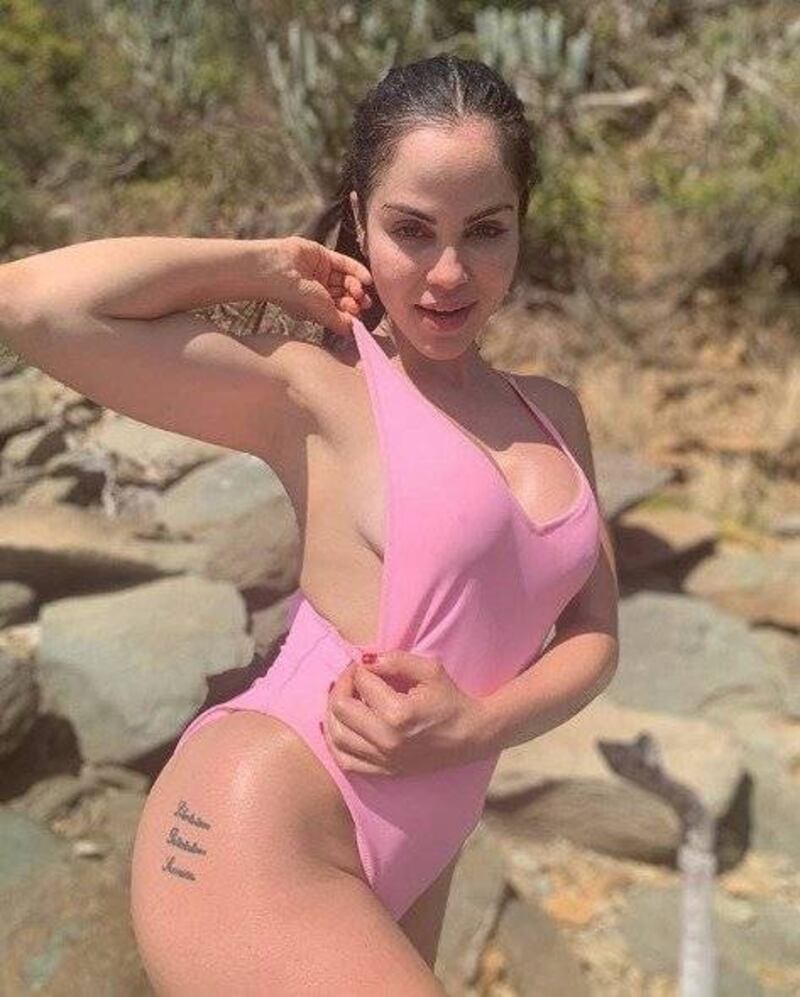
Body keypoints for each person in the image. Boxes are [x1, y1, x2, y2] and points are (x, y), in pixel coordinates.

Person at [0, 54, 618, 996]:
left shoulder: (554, 413)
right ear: (361, 218)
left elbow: (595, 634)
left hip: (423, 846)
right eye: (412, 230)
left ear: (521, 225)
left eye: (486, 230)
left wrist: (477, 725)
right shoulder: (319, 392)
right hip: (259, 824)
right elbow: (29, 303)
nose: (450, 272)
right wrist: (261, 264)